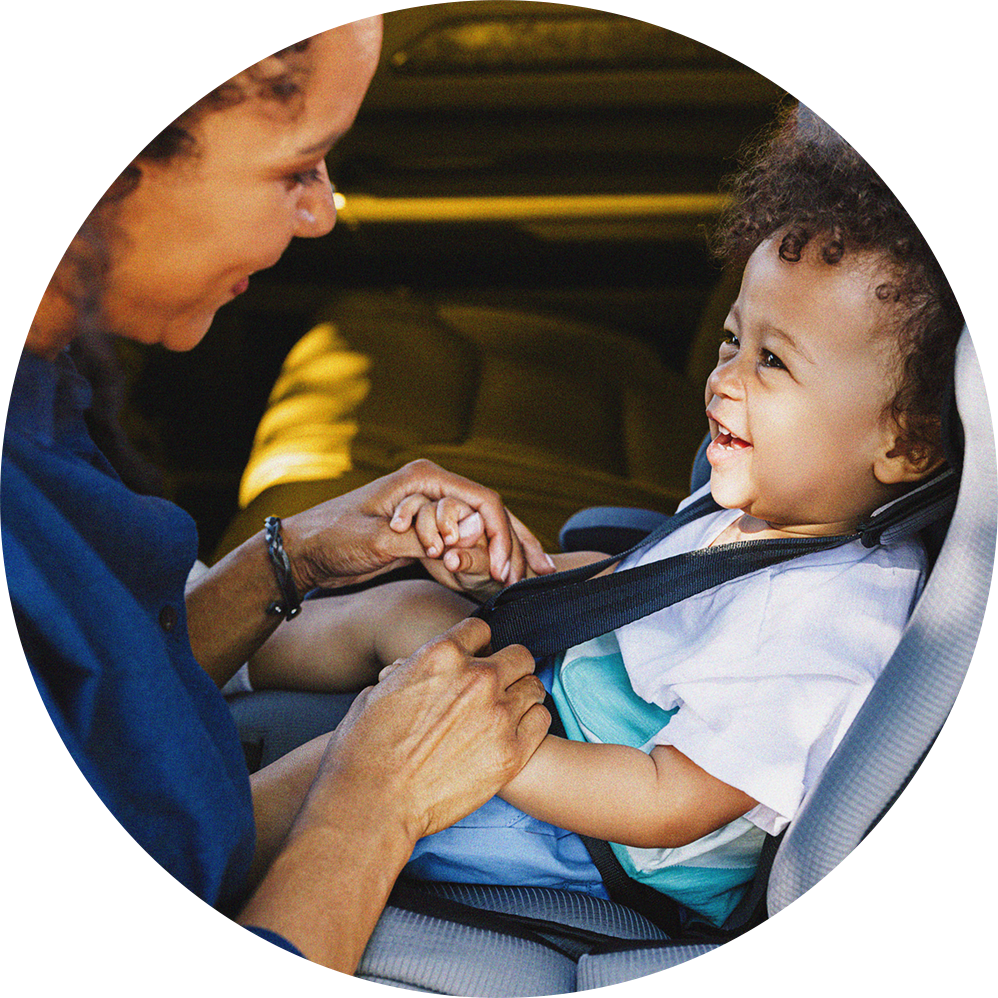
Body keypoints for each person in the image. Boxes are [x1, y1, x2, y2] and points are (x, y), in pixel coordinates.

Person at [246, 115, 998, 926]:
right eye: (731, 341)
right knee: (408, 609)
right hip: (572, 715)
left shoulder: (835, 622)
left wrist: (490, 751)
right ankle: (205, 653)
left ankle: (179, 854)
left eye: (773, 362)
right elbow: (645, 592)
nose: (724, 380)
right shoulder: (764, 504)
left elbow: (672, 803)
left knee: (351, 761)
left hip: (596, 837)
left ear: (907, 442)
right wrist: (514, 575)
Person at [0, 3, 557, 997]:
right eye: (295, 170)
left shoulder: (30, 376)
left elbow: (96, 703)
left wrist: (289, 558)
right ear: (73, 156)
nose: (325, 211)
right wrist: (370, 804)